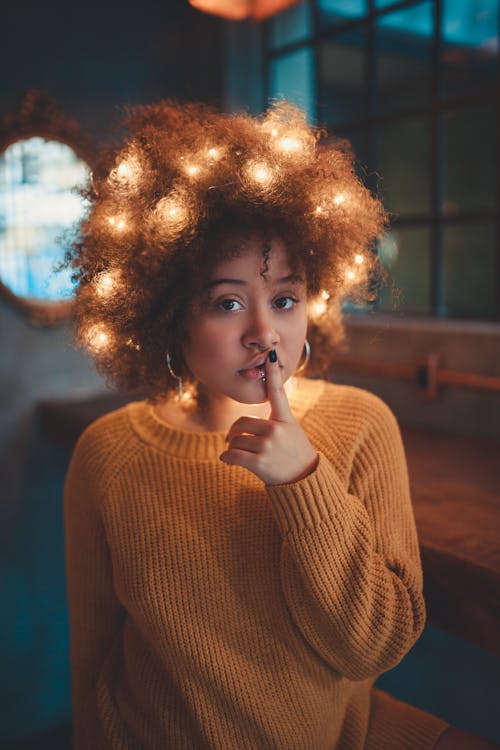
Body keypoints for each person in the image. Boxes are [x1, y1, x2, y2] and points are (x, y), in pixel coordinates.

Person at [63, 101, 493, 750]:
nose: (265, 333)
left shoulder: (361, 426)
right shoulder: (108, 453)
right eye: (227, 302)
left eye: (285, 299)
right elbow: (94, 651)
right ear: (168, 315)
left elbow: (376, 647)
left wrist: (302, 480)